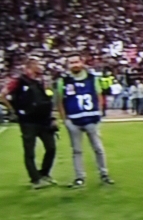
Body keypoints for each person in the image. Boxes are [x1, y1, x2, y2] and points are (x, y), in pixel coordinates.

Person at [56, 53, 114, 188]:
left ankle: (104, 174)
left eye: (76, 62)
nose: (75, 65)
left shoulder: (92, 78)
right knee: (77, 150)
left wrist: (99, 113)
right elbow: (60, 101)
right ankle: (79, 177)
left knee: (98, 148)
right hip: (74, 120)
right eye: (71, 63)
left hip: (91, 119)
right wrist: (65, 120)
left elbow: (99, 96)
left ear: (82, 63)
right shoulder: (63, 81)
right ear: (67, 65)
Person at [0, 58, 58, 189]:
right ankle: (35, 179)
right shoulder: (18, 81)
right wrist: (13, 111)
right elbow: (2, 95)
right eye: (38, 64)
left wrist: (52, 117)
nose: (41, 67)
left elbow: (47, 100)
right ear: (30, 67)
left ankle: (44, 174)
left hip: (44, 120)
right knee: (30, 151)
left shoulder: (41, 81)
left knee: (51, 148)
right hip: (28, 122)